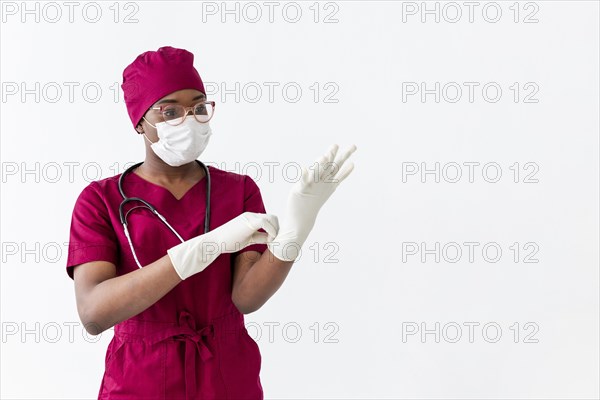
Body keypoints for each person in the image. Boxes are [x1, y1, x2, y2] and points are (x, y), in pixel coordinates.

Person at [65, 46, 357, 399]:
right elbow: (94, 314)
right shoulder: (101, 201)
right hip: (139, 379)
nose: (188, 120)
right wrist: (196, 252)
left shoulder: (238, 191)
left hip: (226, 375)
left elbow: (246, 299)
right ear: (140, 121)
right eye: (170, 110)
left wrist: (294, 234)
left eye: (199, 107)